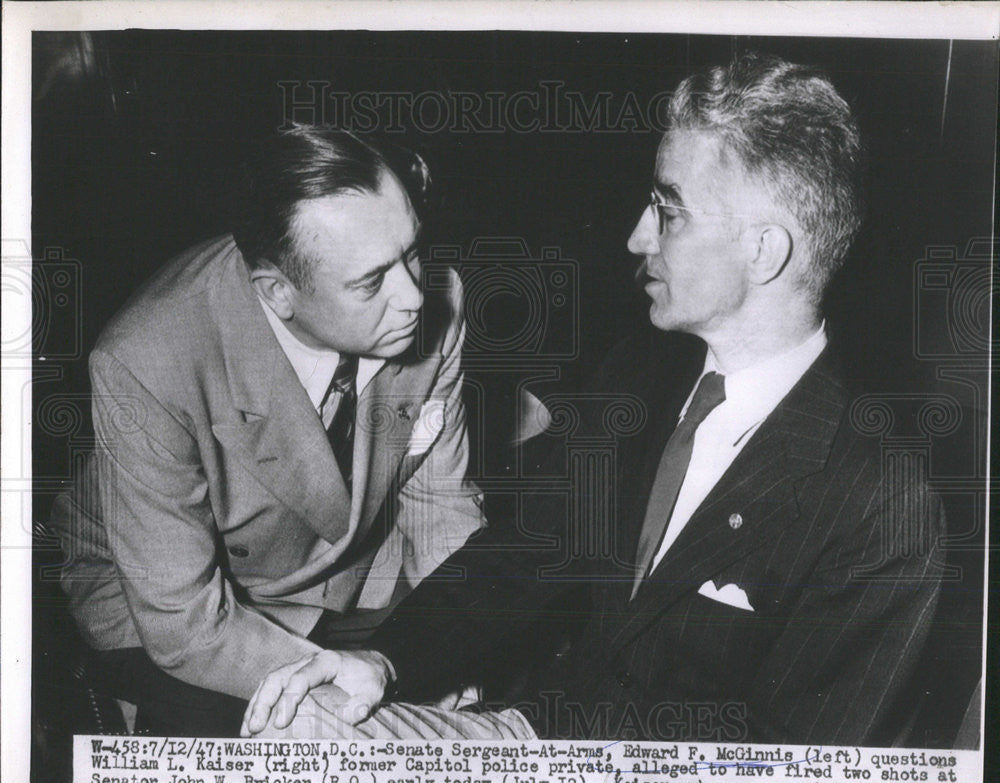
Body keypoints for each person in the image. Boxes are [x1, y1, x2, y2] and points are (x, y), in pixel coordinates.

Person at [242, 53, 946, 745]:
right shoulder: (640, 375)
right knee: (293, 725)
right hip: (540, 735)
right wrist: (385, 660)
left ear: (765, 251)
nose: (637, 235)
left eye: (668, 211)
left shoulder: (881, 502)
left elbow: (791, 771)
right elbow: (526, 553)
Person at [50, 127, 486, 736]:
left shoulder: (439, 300)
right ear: (278, 294)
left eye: (412, 251)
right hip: (174, 606)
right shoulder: (145, 360)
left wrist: (444, 650)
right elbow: (184, 622)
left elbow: (439, 504)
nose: (414, 296)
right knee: (310, 748)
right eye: (371, 282)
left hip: (355, 568)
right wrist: (359, 680)